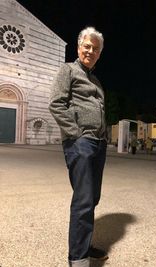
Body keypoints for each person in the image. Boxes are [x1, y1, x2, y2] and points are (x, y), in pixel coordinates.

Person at [49, 27, 108, 267]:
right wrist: (76, 135)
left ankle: (83, 244)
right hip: (81, 142)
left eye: (95, 48)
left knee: (92, 198)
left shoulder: (96, 80)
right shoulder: (68, 70)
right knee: (83, 199)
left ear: (99, 53)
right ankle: (78, 259)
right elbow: (56, 104)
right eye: (87, 46)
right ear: (78, 47)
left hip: (99, 143)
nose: (91, 51)